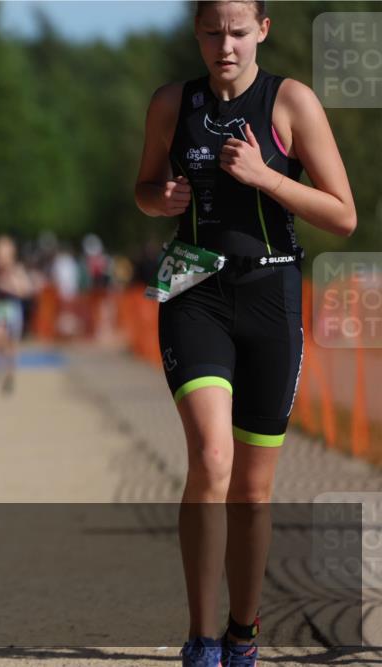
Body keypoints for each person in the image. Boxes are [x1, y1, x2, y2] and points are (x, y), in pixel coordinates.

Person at [134, 2, 356, 666]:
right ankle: (201, 636)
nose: (223, 45)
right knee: (211, 458)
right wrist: (159, 197)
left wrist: (265, 177)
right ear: (196, 33)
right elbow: (144, 187)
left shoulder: (290, 102)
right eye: (211, 31)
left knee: (253, 489)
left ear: (262, 29)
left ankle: (243, 628)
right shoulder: (173, 102)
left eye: (237, 31)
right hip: (194, 294)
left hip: (271, 299)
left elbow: (342, 214)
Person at [0, 235, 33, 394]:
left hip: (13, 306)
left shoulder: (16, 270)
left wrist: (10, 285)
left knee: (12, 345)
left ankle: (9, 376)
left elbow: (26, 290)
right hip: (0, 307)